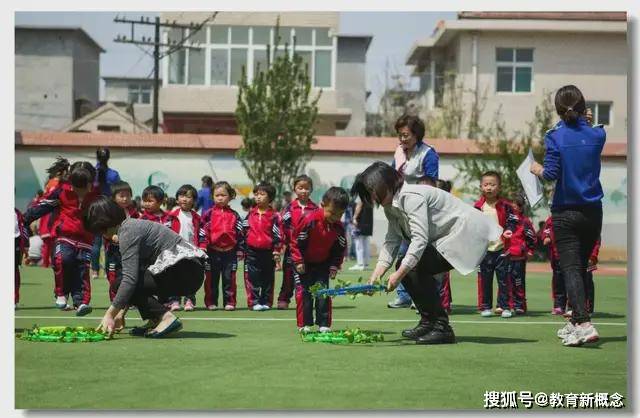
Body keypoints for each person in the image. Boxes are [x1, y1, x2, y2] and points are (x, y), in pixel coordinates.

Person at [351, 162, 502, 345]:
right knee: (409, 267)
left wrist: (398, 275)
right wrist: (376, 274)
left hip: (466, 235)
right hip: (448, 239)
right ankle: (429, 322)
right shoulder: (391, 204)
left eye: (372, 190)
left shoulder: (412, 197)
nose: (371, 196)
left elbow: (419, 239)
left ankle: (441, 327)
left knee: (411, 268)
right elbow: (392, 239)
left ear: (385, 183)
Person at [530, 84, 605, 347]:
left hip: (565, 211)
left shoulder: (555, 136)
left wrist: (536, 168)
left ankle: (584, 323)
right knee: (581, 267)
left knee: (570, 269)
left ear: (558, 111)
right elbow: (587, 132)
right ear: (585, 107)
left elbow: (550, 174)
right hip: (594, 212)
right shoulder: (598, 135)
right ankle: (575, 323)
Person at [85, 197, 208, 339]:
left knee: (120, 283)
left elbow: (130, 280)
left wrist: (109, 315)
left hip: (185, 271)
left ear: (103, 224)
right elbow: (136, 274)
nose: (101, 235)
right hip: (188, 272)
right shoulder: (129, 227)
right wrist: (120, 314)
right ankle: (156, 320)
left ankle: (166, 318)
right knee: (123, 282)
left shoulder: (127, 232)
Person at [23, 161, 99, 315]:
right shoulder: (61, 192)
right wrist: (24, 220)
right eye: (77, 187)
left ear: (91, 183)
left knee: (82, 269)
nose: (80, 192)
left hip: (86, 239)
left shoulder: (96, 196)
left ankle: (81, 302)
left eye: (84, 187)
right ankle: (61, 294)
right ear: (71, 181)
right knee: (63, 260)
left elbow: (107, 214)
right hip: (65, 236)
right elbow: (42, 207)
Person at [387, 114, 440, 309]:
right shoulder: (399, 152)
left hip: (422, 208)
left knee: (423, 255)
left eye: (406, 135)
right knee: (402, 253)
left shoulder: (429, 153)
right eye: (400, 135)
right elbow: (392, 176)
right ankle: (404, 295)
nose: (402, 139)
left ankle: (424, 297)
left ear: (417, 135)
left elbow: (431, 182)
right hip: (402, 209)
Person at [290, 187, 348, 333]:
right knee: (304, 293)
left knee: (323, 292)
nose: (335, 217)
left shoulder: (339, 228)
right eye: (332, 213)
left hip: (323, 264)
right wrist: (298, 261)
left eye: (340, 214)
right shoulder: (309, 219)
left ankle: (324, 324)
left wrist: (334, 266)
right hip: (303, 263)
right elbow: (295, 241)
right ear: (322, 205)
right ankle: (304, 324)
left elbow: (339, 249)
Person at [474, 171, 517, 318]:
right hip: (485, 250)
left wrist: (509, 230)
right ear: (481, 187)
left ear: (499, 187)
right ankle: (486, 307)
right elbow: (473, 224)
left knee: (504, 280)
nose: (489, 188)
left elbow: (512, 220)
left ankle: (505, 307)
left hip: (502, 249)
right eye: (486, 184)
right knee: (485, 280)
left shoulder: (506, 206)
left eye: (493, 184)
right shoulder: (478, 206)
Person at [541, 216, 600, 316]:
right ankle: (561, 306)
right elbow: (547, 231)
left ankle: (585, 308)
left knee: (585, 281)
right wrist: (546, 237)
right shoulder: (553, 218)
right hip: (561, 255)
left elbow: (595, 238)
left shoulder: (585, 217)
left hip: (583, 255)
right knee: (560, 281)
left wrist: (593, 256)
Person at [201, 181, 243, 311]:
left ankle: (229, 302)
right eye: (217, 195)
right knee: (211, 280)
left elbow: (240, 233)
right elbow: (203, 231)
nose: (220, 198)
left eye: (223, 195)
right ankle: (211, 302)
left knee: (229, 279)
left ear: (230, 196)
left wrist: (240, 250)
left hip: (230, 253)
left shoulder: (234, 215)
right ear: (212, 197)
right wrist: (203, 246)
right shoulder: (208, 214)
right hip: (213, 251)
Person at [277, 175, 318, 309]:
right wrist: (280, 246)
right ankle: (284, 298)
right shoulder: (289, 209)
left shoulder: (315, 209)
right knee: (288, 277)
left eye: (307, 188)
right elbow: (283, 228)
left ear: (311, 190)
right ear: (295, 189)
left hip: (309, 250)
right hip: (291, 249)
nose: (304, 191)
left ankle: (305, 299)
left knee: (308, 276)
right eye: (300, 188)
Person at [241, 182, 284, 310]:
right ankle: (254, 302)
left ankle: (266, 302)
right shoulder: (250, 214)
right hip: (252, 252)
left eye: (262, 194)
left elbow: (279, 234)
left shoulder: (275, 216)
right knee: (252, 278)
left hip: (268, 252)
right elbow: (244, 231)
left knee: (268, 279)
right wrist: (242, 249)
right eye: (256, 194)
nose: (258, 197)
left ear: (270, 197)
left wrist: (277, 250)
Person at [164, 185, 205, 311]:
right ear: (177, 199)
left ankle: (189, 300)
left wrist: (202, 246)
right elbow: (165, 232)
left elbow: (202, 234)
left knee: (190, 277)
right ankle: (174, 300)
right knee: (174, 276)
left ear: (194, 200)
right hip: (175, 251)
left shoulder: (197, 218)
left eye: (188, 197)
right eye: (181, 196)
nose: (184, 199)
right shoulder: (171, 215)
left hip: (192, 252)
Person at [104, 181, 140, 302]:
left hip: (129, 250)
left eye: (128, 196)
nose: (125, 199)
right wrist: (112, 236)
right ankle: (115, 300)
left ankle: (130, 300)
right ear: (113, 197)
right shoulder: (108, 212)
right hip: (114, 250)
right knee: (113, 275)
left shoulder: (134, 213)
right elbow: (103, 229)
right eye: (122, 196)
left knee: (129, 274)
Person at [90, 148, 121, 280]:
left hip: (96, 209)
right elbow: (119, 190)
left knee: (96, 243)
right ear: (108, 158)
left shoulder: (92, 173)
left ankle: (95, 271)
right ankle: (109, 270)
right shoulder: (114, 174)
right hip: (110, 209)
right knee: (109, 242)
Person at [506, 194, 537, 315]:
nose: (514, 206)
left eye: (517, 204)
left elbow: (532, 238)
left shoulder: (525, 222)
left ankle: (520, 305)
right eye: (513, 203)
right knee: (505, 282)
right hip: (506, 256)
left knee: (518, 282)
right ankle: (506, 305)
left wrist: (530, 251)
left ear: (521, 207)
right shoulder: (506, 221)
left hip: (519, 258)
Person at [349, 198, 373, 271]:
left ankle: (360, 264)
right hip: (368, 223)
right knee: (366, 244)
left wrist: (354, 217)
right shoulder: (370, 196)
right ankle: (365, 264)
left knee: (359, 244)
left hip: (360, 222)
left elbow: (359, 205)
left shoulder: (361, 194)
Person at [15, 208, 29, 308]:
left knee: (13, 271)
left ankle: (13, 300)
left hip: (15, 242)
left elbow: (23, 228)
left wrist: (26, 245)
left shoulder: (17, 212)